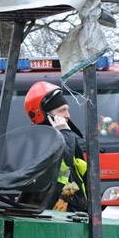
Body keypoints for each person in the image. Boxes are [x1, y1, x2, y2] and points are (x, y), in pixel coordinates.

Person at [24, 81, 88, 212]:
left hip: (72, 210)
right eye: (62, 110)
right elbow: (65, 159)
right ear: (46, 116)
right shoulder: (37, 143)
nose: (68, 115)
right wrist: (65, 133)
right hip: (51, 214)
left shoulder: (70, 138)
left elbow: (80, 177)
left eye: (67, 109)